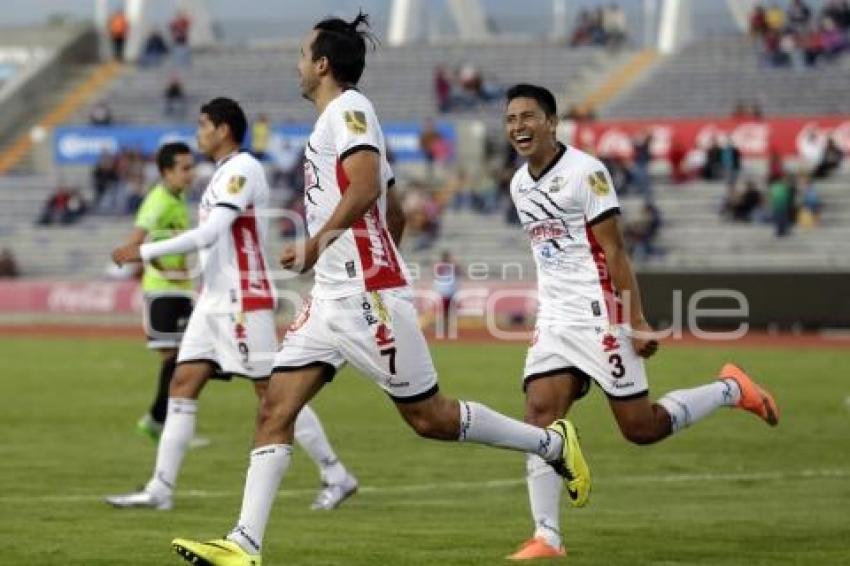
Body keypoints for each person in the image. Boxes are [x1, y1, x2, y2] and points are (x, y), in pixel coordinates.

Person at [170, 15, 589, 566]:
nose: (297, 64)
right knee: (275, 406)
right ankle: (244, 544)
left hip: (362, 294)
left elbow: (368, 187)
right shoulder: (337, 120)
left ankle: (552, 445)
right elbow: (390, 207)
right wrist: (358, 259)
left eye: (303, 55)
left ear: (322, 64)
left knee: (430, 419)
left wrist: (331, 249)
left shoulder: (350, 110)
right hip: (331, 297)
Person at [502, 84, 779, 560]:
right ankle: (547, 536)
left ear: (551, 121)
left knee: (641, 428)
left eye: (528, 116)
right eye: (510, 120)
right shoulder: (518, 184)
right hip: (555, 318)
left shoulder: (586, 172)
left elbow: (614, 250)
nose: (518, 127)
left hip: (600, 315)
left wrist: (637, 319)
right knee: (539, 417)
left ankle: (731, 389)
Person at [107, 97, 357, 513]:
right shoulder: (221, 174)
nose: (198, 132)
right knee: (182, 384)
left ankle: (336, 474)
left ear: (224, 129)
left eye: (204, 124)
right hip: (213, 301)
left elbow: (210, 235)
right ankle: (160, 488)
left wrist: (144, 251)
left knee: (273, 395)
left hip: (243, 301)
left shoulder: (243, 169)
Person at [117, 142, 197, 442]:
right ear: (166, 172)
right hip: (162, 293)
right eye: (184, 168)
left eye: (191, 167)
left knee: (189, 359)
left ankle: (166, 424)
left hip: (180, 291)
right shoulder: (157, 202)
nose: (190, 174)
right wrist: (168, 271)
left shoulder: (178, 198)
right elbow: (135, 245)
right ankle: (160, 422)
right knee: (177, 360)